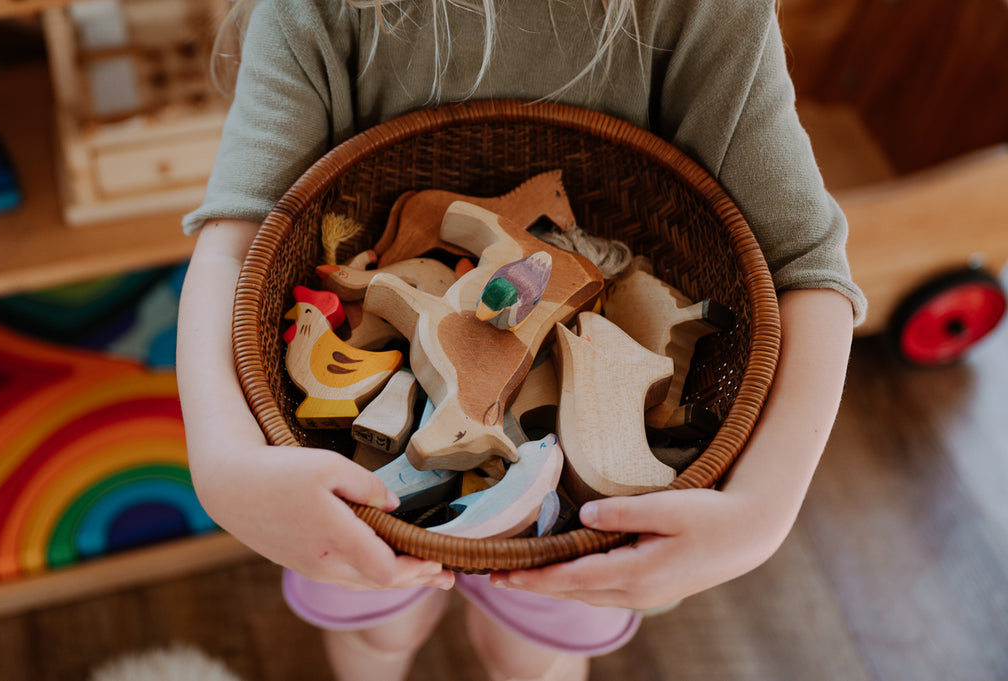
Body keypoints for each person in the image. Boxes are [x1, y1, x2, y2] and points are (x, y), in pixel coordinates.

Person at [176, 1, 867, 679]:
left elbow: (806, 265)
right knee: (379, 626)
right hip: (345, 497)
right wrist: (223, 461)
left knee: (531, 652)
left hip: (579, 535)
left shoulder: (706, 13)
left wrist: (762, 508)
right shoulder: (317, 12)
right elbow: (235, 249)